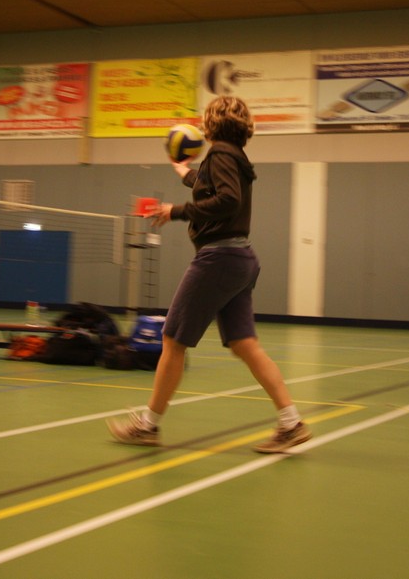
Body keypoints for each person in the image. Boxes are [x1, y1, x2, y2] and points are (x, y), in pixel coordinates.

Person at [107, 96, 311, 454]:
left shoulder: (219, 154)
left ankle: (147, 426)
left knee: (173, 340)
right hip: (240, 258)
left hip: (218, 259)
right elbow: (210, 186)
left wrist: (176, 211)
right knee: (245, 344)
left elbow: (227, 200)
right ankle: (291, 423)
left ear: (211, 123)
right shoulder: (234, 156)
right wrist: (183, 171)